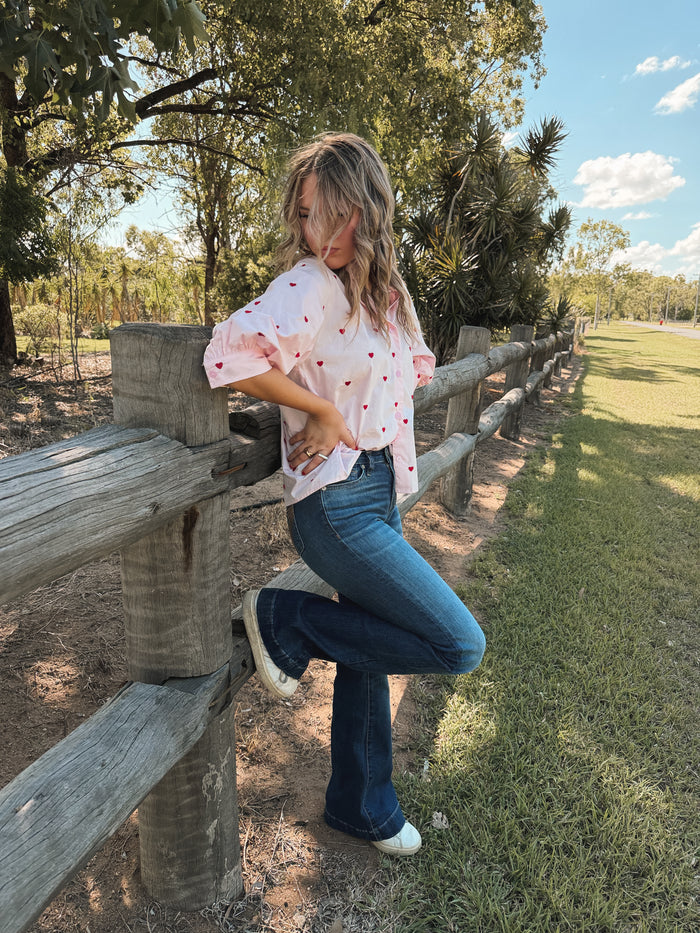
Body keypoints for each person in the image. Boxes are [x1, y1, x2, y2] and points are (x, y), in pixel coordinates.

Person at [204, 133, 485, 857]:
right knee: (458, 643)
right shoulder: (309, 285)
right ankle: (284, 617)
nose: (313, 232)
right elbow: (228, 353)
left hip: (377, 496)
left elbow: (410, 375)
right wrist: (321, 411)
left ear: (367, 209)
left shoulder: (389, 296)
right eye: (302, 214)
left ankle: (363, 805)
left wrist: (348, 404)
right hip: (333, 505)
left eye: (328, 213)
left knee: (371, 649)